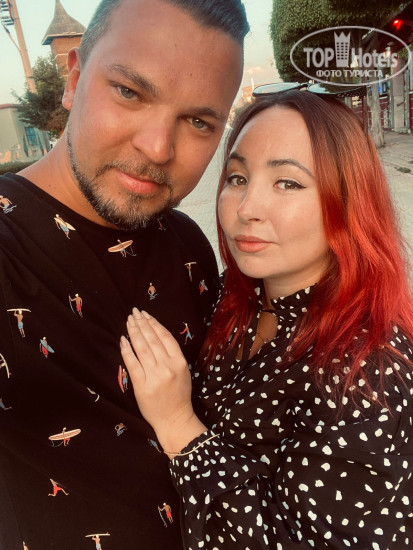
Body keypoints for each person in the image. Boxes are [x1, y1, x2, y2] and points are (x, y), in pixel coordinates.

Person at [0, 0, 248, 548]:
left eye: (198, 122)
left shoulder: (187, 244)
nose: (157, 148)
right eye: (130, 92)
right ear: (74, 80)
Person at [121, 90, 413, 549]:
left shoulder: (366, 369)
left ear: (349, 201)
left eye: (288, 183)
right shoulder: (231, 298)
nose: (246, 208)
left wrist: (178, 425)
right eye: (237, 178)